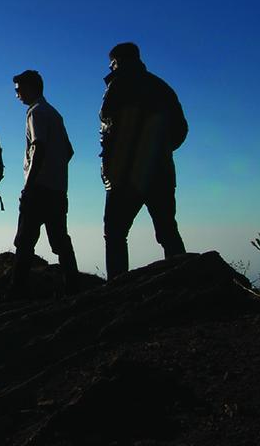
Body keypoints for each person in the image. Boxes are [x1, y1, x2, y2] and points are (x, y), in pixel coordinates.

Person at [99, 42, 188, 279]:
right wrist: (159, 151)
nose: (110, 68)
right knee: (167, 230)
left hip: (125, 175)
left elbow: (109, 131)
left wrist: (113, 168)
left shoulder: (118, 87)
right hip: (161, 171)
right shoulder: (161, 87)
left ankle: (117, 288)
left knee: (115, 233)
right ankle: (184, 279)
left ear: (118, 61)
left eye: (112, 64)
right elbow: (181, 129)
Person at [10, 70, 79, 298]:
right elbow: (68, 151)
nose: (17, 94)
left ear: (30, 87)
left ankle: (17, 293)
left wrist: (29, 186)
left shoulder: (36, 113)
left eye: (18, 89)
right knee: (60, 241)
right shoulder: (54, 113)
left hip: (38, 190)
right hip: (58, 189)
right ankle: (73, 287)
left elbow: (38, 147)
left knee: (25, 241)